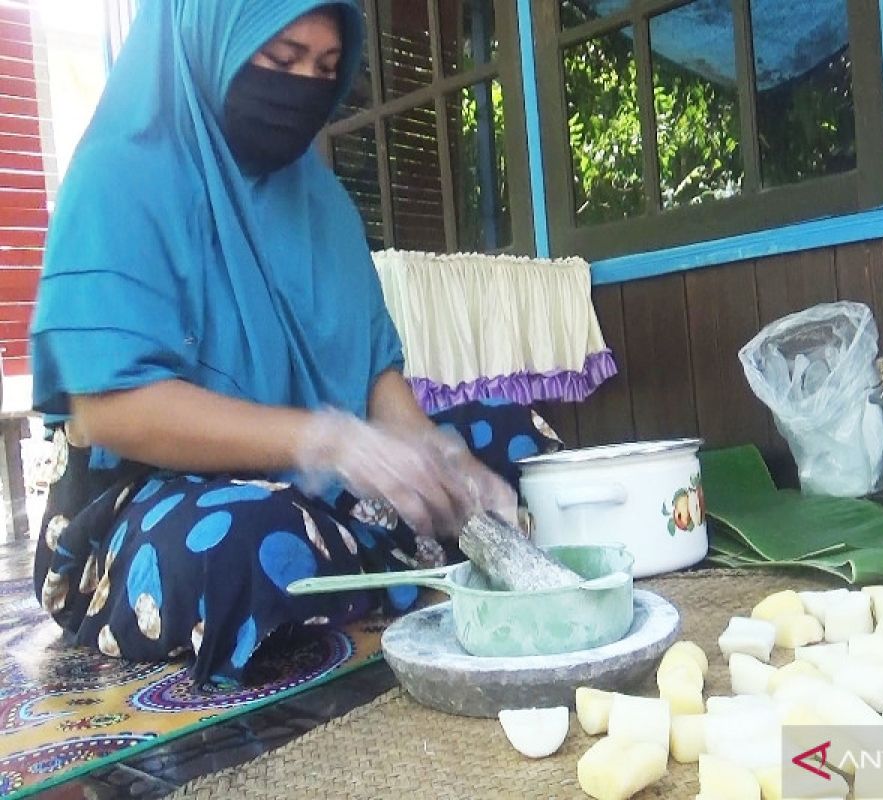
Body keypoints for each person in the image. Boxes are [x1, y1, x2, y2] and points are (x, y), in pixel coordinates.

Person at [29, 0, 557, 687]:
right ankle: (391, 565)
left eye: (325, 68)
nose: (300, 86)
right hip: (152, 504)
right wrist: (325, 440)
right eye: (280, 61)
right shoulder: (119, 177)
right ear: (210, 41)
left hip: (320, 488)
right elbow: (109, 412)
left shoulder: (323, 204)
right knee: (242, 544)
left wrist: (446, 463)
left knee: (513, 438)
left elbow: (376, 384)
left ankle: (369, 569)